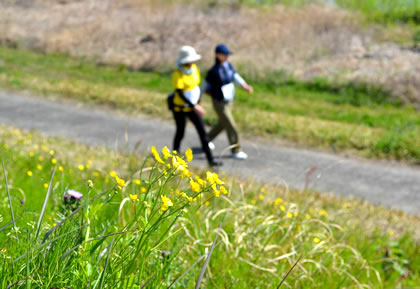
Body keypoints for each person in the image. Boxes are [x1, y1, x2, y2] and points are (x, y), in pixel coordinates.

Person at [168, 45, 222, 167]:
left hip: (193, 107)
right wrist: (195, 105)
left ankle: (211, 160)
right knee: (180, 133)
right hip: (180, 109)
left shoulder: (194, 69)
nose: (190, 63)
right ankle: (174, 159)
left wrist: (197, 103)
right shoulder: (177, 74)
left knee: (202, 133)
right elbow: (180, 93)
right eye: (188, 61)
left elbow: (196, 87)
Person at [205, 43, 253, 160]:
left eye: (227, 54)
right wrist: (197, 102)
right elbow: (205, 87)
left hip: (229, 101)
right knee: (231, 125)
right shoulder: (213, 71)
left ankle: (205, 139)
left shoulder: (228, 66)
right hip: (219, 102)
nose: (227, 56)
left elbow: (235, 76)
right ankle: (236, 150)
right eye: (224, 54)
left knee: (222, 123)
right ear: (217, 55)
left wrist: (244, 85)